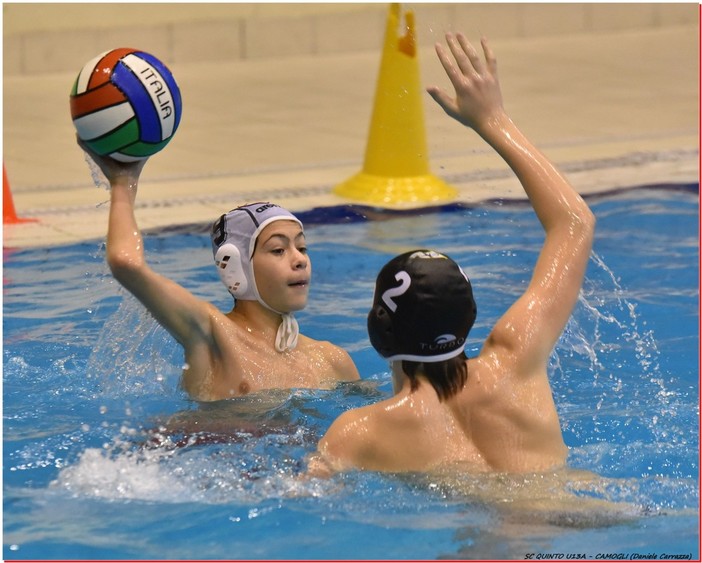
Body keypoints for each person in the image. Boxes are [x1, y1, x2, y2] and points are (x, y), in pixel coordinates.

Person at [310, 32, 595, 475]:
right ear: (469, 316)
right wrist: (493, 119)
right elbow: (574, 223)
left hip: (490, 545)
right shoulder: (516, 357)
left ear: (379, 332)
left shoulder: (358, 433)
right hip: (591, 520)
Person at [80, 144, 359, 402]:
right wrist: (122, 183)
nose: (299, 260)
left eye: (302, 247)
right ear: (234, 266)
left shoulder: (332, 361)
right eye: (278, 250)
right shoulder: (211, 336)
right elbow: (125, 263)